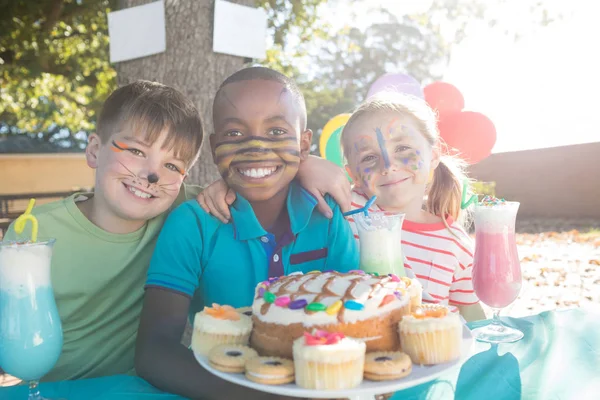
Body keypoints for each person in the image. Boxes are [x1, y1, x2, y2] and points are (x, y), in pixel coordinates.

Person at [1, 80, 350, 382]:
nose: (152, 175)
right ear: (94, 150)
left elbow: (251, 176)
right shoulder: (35, 233)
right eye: (136, 151)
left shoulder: (188, 205)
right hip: (58, 388)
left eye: (171, 165)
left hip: (142, 387)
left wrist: (307, 164)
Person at [135, 67, 358, 399]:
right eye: (235, 134)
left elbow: (354, 323)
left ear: (304, 143)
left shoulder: (326, 216)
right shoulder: (193, 224)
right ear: (214, 148)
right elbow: (154, 351)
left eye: (276, 130)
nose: (255, 147)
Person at [340, 92, 485, 322]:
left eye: (402, 148)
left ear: (433, 156)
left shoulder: (455, 242)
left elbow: (474, 318)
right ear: (353, 176)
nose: (388, 166)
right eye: (369, 157)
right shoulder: (348, 208)